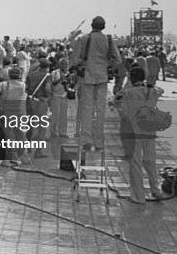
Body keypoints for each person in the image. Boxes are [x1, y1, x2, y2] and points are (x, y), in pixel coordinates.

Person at [114, 67, 170, 203]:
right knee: (150, 161)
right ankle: (155, 190)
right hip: (149, 130)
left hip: (133, 131)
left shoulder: (128, 92)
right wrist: (150, 86)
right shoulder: (152, 91)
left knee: (135, 163)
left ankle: (138, 196)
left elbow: (116, 100)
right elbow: (161, 90)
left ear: (131, 79)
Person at [70, 16, 121, 151]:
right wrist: (106, 64)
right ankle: (98, 142)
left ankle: (86, 141)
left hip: (87, 77)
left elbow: (74, 60)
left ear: (92, 26)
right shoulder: (109, 40)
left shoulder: (84, 39)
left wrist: (83, 64)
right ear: (103, 26)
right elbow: (118, 60)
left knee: (86, 109)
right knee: (100, 110)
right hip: (103, 77)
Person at [0, 67, 28, 165]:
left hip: (7, 112)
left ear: (9, 75)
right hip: (19, 112)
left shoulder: (3, 84)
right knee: (19, 134)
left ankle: (10, 158)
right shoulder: (23, 85)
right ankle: (21, 157)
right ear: (19, 75)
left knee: (9, 136)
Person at [49, 58, 70, 138]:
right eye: (63, 64)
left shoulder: (68, 73)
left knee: (64, 116)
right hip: (55, 96)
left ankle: (63, 132)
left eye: (66, 64)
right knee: (55, 115)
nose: (65, 66)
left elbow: (70, 85)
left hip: (64, 96)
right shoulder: (54, 73)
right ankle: (53, 132)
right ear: (60, 64)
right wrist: (59, 80)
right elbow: (51, 85)